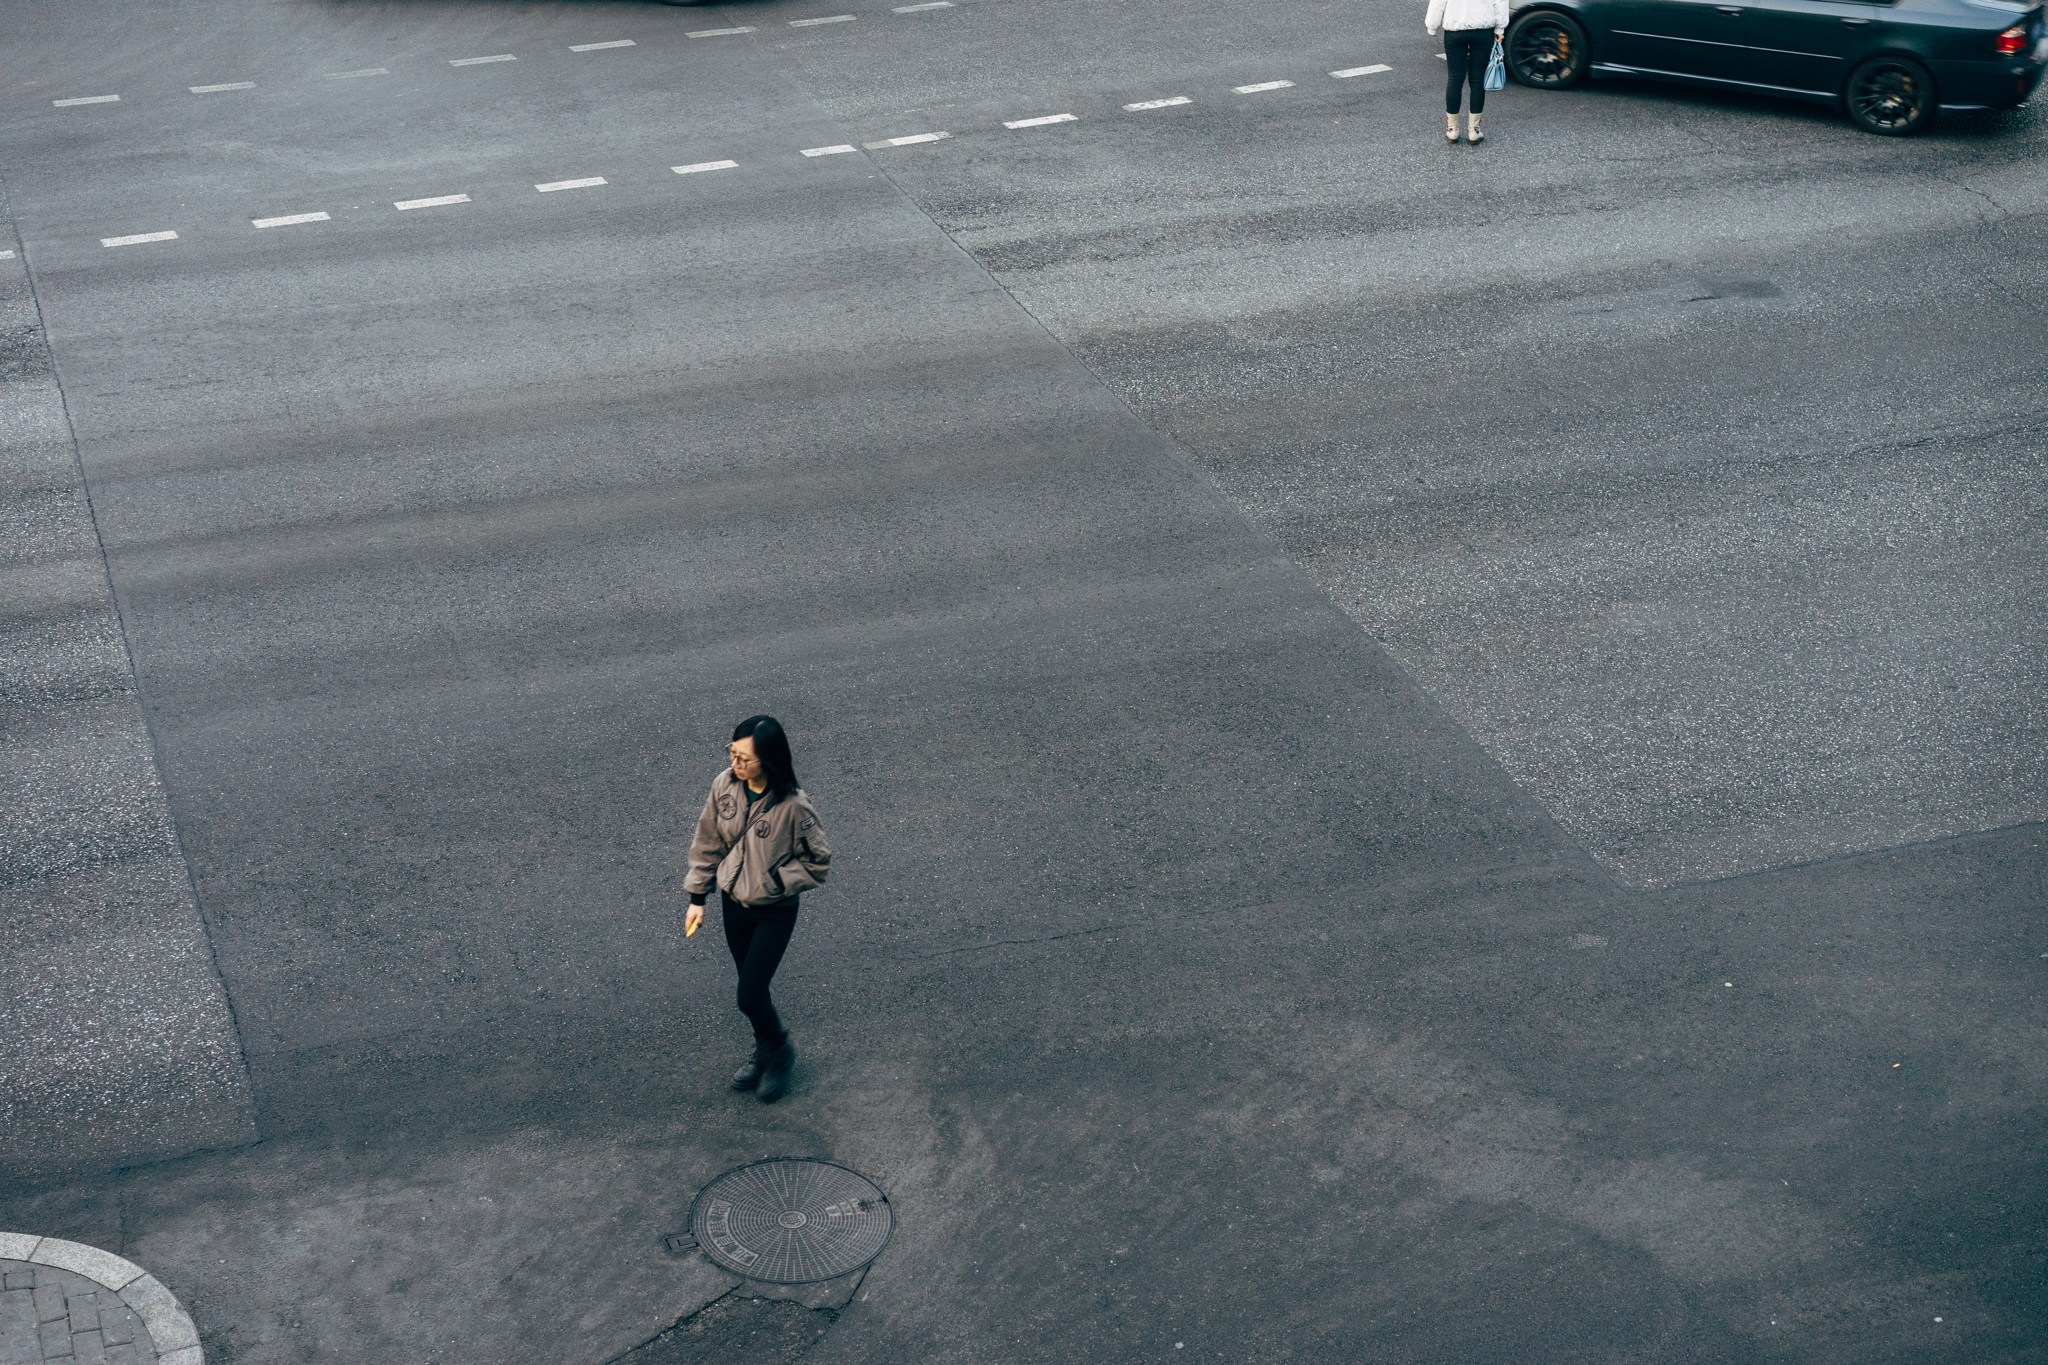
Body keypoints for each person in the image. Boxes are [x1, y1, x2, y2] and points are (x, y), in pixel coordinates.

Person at [683, 715, 831, 1103]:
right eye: (732, 754)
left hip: (773, 912)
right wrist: (698, 897)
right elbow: (708, 842)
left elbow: (818, 862)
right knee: (756, 989)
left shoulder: (794, 805)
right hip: (734, 905)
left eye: (745, 758)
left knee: (748, 995)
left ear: (769, 759)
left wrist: (775, 882)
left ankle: (780, 1052)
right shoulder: (724, 786)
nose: (736, 764)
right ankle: (764, 1051)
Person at [1426, 0, 1508, 144]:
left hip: (1455, 30)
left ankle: (1453, 130)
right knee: (1477, 80)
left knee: (1455, 78)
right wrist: (1500, 29)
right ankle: (1474, 131)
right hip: (1483, 30)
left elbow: (1438, 2)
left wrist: (1432, 27)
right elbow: (1500, 1)